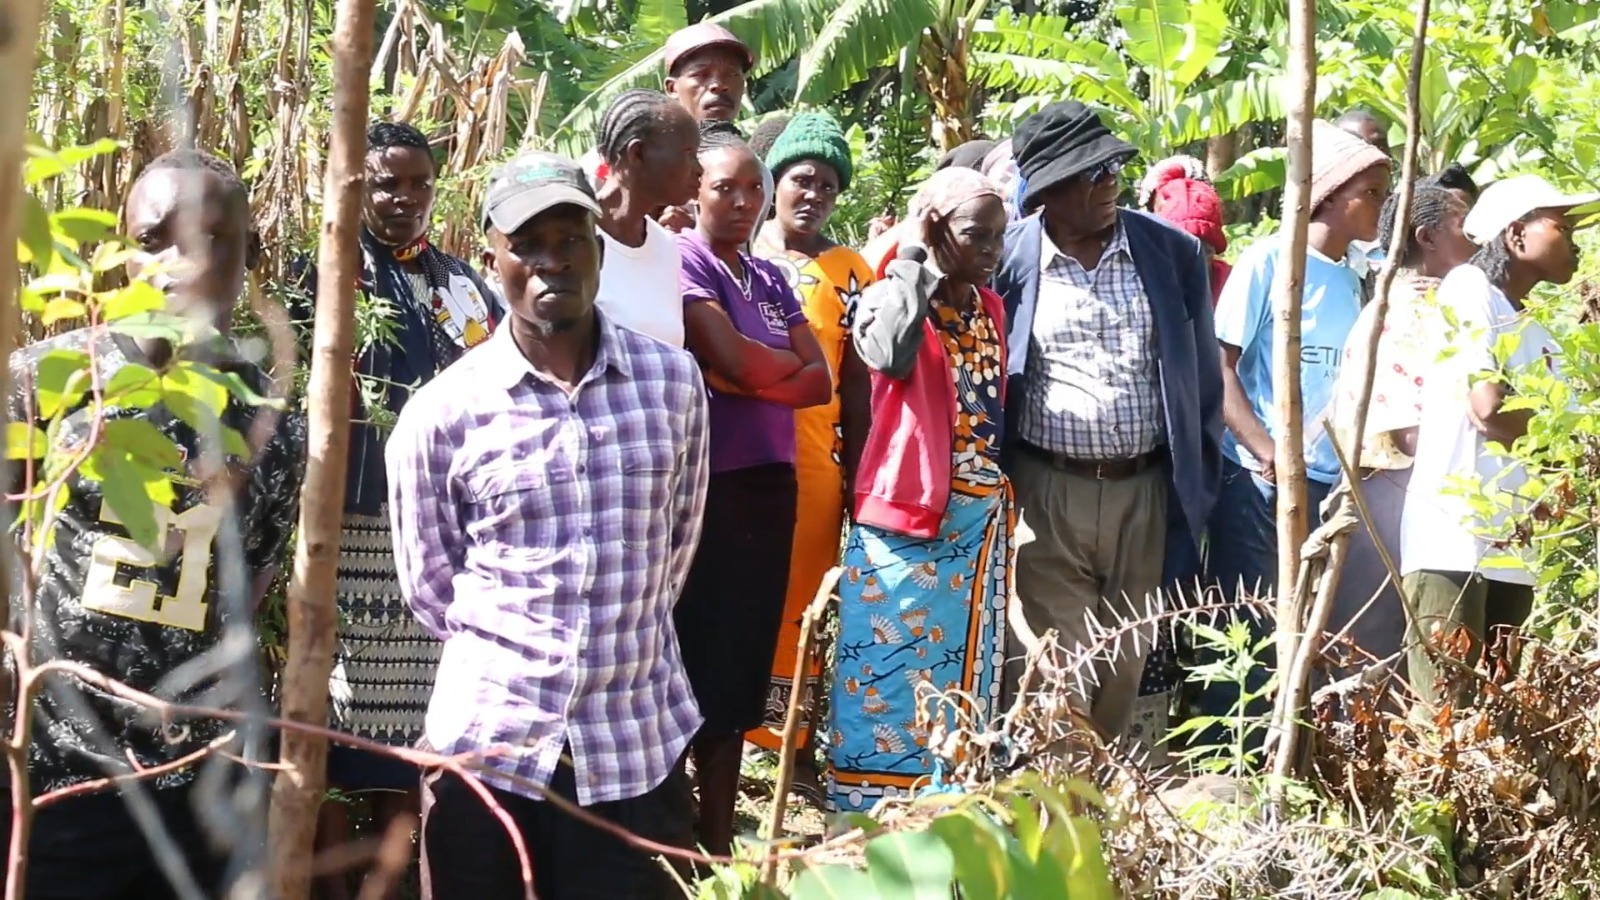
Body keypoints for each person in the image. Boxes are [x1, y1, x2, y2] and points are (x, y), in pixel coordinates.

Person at [390, 152, 710, 899]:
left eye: (570, 240)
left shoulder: (673, 383)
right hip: (490, 753)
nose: (551, 261)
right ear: (492, 262)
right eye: (527, 245)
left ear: (598, 251)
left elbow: (677, 544)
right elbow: (431, 587)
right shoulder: (443, 412)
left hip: (635, 744)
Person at [1, 150, 305, 897]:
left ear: (250, 254)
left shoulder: (272, 427)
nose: (179, 263)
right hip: (56, 776)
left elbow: (252, 587)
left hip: (200, 786)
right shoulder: (47, 383)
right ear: (123, 255)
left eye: (210, 238)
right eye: (153, 240)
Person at [307, 121, 502, 892]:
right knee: (340, 724)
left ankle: (390, 883)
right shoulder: (328, 275)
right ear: (359, 185)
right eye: (388, 183)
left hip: (442, 537)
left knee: (419, 728)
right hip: (351, 529)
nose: (406, 198)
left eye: (420, 184)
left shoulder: (462, 287)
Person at [993, 100, 1223, 742]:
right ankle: (1051, 793)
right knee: (1053, 665)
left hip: (1144, 491)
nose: (1109, 182)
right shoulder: (1009, 259)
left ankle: (1099, 793)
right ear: (1048, 193)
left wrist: (1197, 480)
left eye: (1112, 168)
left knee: (1124, 658)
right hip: (1046, 491)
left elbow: (1203, 378)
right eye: (1091, 174)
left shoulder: (1170, 253)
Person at [826, 168, 1013, 812]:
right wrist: (911, 254)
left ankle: (948, 810)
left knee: (960, 674)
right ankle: (870, 819)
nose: (992, 249)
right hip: (906, 519)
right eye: (976, 235)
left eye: (998, 236)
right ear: (936, 228)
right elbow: (890, 354)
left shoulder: (989, 308)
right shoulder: (890, 296)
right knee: (884, 670)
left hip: (975, 524)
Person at [1202, 120, 1390, 750]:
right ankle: (1228, 761)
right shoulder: (1270, 262)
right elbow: (1221, 370)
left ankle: (1290, 754)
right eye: (1372, 193)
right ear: (1330, 195)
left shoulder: (1360, 277)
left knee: (1310, 625)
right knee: (1250, 626)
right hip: (1262, 483)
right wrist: (1269, 454)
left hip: (1331, 481)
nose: (1382, 205)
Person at [675, 129, 831, 853]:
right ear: (694, 193)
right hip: (712, 484)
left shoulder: (767, 276)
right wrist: (764, 370)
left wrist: (747, 377)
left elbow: (818, 380)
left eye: (752, 190)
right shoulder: (685, 260)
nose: (742, 202)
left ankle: (718, 843)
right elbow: (729, 356)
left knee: (742, 664)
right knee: (696, 658)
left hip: (773, 487)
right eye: (724, 188)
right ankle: (676, 831)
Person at [1399, 174, 1594, 709]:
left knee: (1495, 711)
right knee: (1445, 712)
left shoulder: (1536, 329)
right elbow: (1489, 409)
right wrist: (1559, 435)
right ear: (1515, 234)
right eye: (1562, 227)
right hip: (1454, 538)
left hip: (1512, 546)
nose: (1575, 241)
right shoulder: (1468, 288)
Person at [748, 111, 875, 798]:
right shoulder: (739, 252)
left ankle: (788, 748)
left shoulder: (851, 271)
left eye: (829, 185)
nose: (815, 195)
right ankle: (723, 740)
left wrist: (860, 473)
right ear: (774, 181)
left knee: (804, 605)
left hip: (815, 469)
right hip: (738, 461)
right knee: (739, 595)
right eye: (803, 179)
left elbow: (856, 379)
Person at [1326, 184, 1478, 672]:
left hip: (1409, 486)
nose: (1477, 238)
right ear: (1426, 237)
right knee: (1383, 640)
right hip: (1395, 488)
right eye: (1463, 227)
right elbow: (1411, 432)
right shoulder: (1409, 312)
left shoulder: (1431, 303)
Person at [591, 89, 701, 346]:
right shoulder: (570, 238)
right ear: (637, 153)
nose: (699, 168)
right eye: (688, 154)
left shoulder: (666, 246)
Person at [659, 22, 773, 238]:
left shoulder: (758, 173)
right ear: (672, 88)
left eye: (731, 74)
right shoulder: (645, 160)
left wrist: (694, 238)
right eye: (701, 74)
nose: (719, 85)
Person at [1140, 155, 1232, 307]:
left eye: (1203, 250)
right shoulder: (1142, 285)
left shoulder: (1234, 285)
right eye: (1178, 251)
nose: (1189, 263)